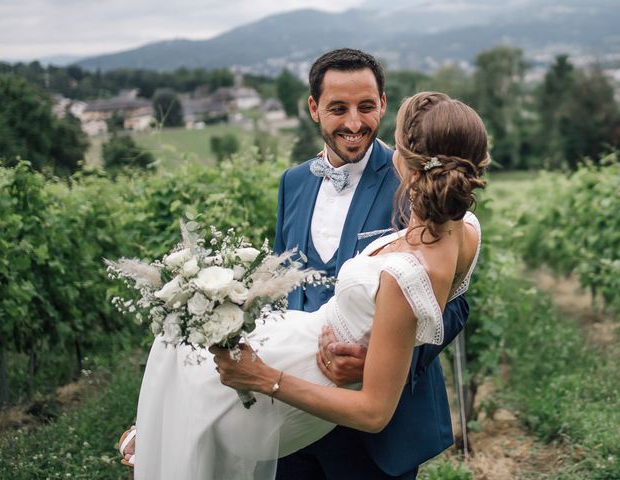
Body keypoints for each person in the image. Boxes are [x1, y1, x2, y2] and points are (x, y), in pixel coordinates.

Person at [130, 85, 489, 479]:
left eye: (367, 107)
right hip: (291, 404)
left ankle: (158, 436)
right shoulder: (296, 182)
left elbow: (447, 310)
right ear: (314, 109)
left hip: (359, 424)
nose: (355, 122)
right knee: (179, 354)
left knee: (183, 377)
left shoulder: (413, 234)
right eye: (339, 107)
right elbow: (283, 283)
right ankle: (154, 433)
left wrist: (381, 363)